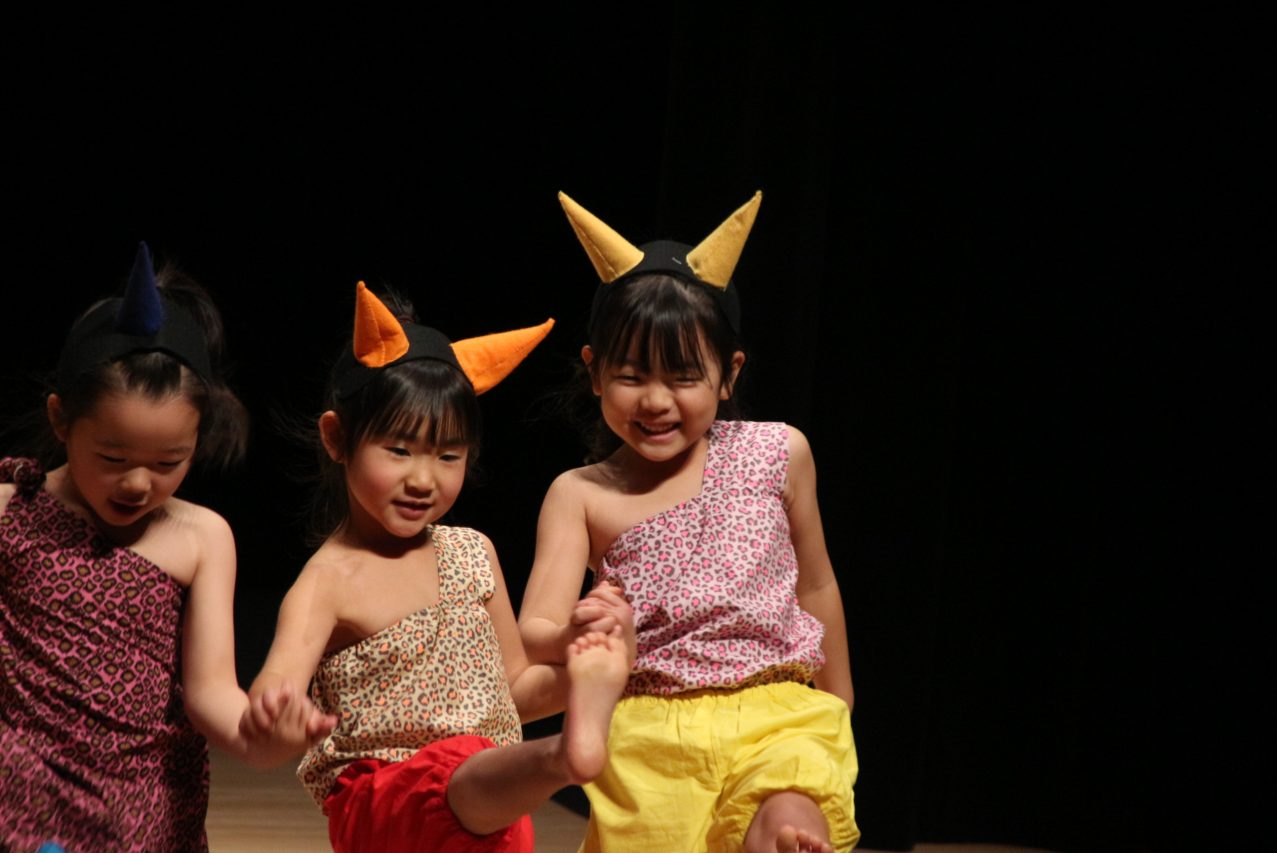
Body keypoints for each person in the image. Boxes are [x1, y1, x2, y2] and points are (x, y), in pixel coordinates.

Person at [519, 192, 860, 853]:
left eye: (682, 376)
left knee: (787, 811)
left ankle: (787, 834)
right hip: (652, 728)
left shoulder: (778, 451)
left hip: (779, 710)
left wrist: (839, 702)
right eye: (631, 375)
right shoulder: (580, 493)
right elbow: (535, 630)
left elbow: (816, 585)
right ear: (594, 372)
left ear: (728, 373)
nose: (655, 400)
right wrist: (581, 633)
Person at [242, 282, 632, 853]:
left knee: (475, 765)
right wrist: (277, 718)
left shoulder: (473, 553)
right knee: (459, 768)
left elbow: (515, 690)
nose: (424, 479)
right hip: (385, 802)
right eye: (399, 451)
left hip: (491, 813)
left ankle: (558, 754)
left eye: (448, 455)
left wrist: (597, 666)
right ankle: (562, 757)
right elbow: (275, 690)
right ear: (337, 437)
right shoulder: (329, 581)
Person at [0, 243, 334, 852]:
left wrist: (262, 739)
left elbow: (210, 692)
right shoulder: (10, 511)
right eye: (112, 457)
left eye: (166, 462)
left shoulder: (202, 538)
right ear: (60, 420)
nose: (137, 483)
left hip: (139, 797)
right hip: (22, 783)